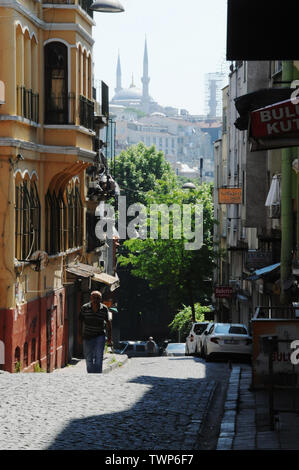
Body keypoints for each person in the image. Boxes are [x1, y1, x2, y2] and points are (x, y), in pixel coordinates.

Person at [79, 291, 112, 373]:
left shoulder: (104, 309)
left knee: (99, 356)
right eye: (94, 297)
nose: (95, 300)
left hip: (99, 335)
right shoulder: (85, 308)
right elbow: (79, 322)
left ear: (101, 299)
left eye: (98, 298)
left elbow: (108, 323)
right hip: (87, 336)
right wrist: (79, 335)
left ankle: (97, 374)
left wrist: (109, 338)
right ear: (90, 298)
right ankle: (91, 374)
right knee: (88, 357)